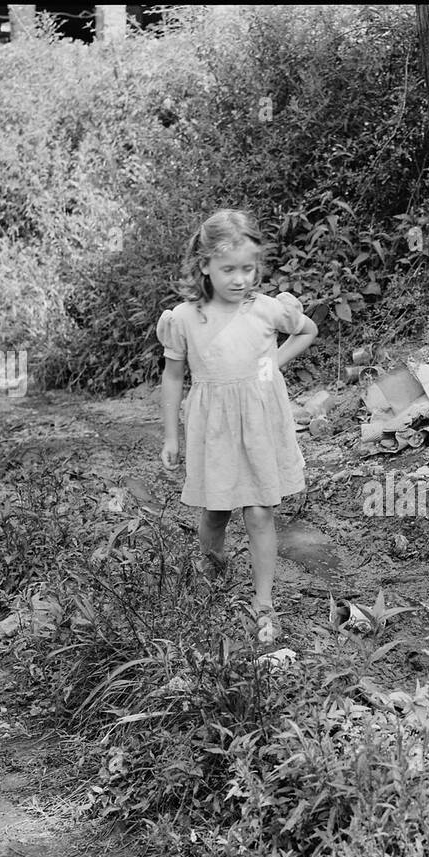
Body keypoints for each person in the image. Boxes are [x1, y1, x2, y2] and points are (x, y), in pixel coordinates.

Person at [156, 209, 318, 643]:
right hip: (213, 428)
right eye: (229, 269)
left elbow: (307, 330)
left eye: (248, 268)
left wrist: (272, 362)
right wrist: (171, 435)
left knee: (261, 511)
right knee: (216, 511)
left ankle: (264, 605)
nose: (240, 278)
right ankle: (211, 577)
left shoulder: (267, 310)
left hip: (260, 423)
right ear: (205, 264)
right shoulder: (185, 319)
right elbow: (173, 377)